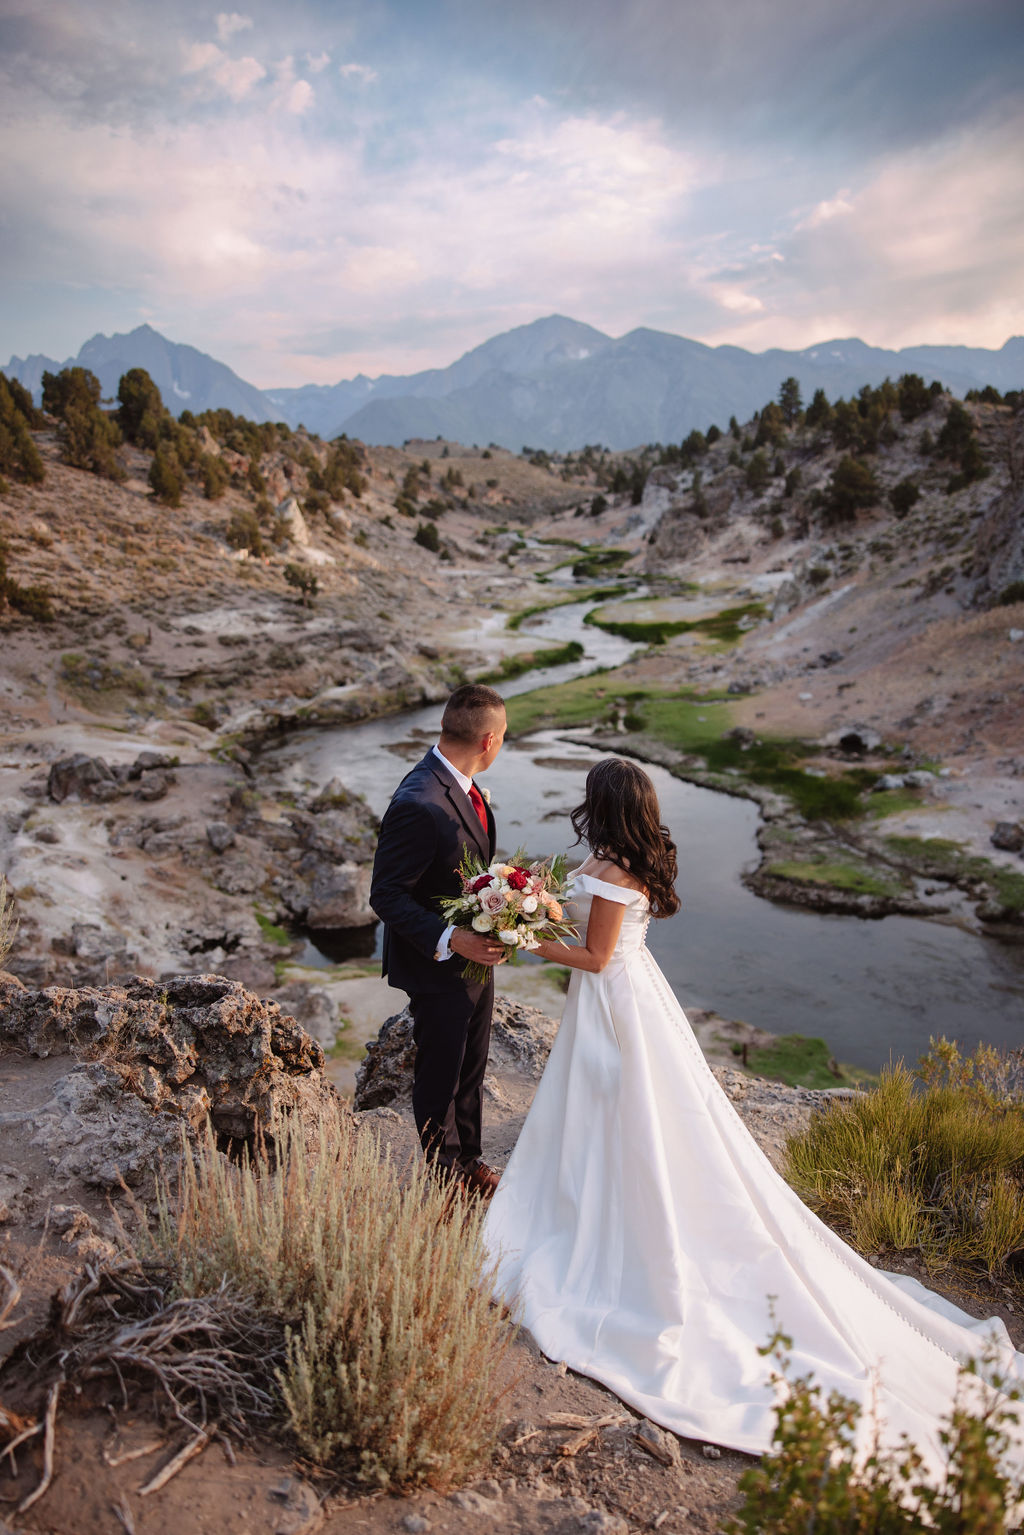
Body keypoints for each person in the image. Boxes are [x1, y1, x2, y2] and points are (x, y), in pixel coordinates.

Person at [484, 757, 1024, 1487]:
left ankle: (611, 1222)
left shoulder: (612, 869)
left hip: (616, 1010)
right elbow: (600, 927)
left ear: (602, 804)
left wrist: (521, 938)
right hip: (628, 1002)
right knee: (604, 1120)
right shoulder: (615, 860)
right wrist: (537, 901)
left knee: (623, 1120)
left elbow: (597, 955)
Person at [370, 683, 508, 1197]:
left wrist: (505, 896)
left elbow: (459, 868)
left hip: (474, 959)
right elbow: (385, 894)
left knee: (470, 1065)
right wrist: (454, 938)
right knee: (440, 1075)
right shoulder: (419, 801)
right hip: (439, 963)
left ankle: (468, 1161)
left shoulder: (461, 785)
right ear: (489, 740)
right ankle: (445, 1179)